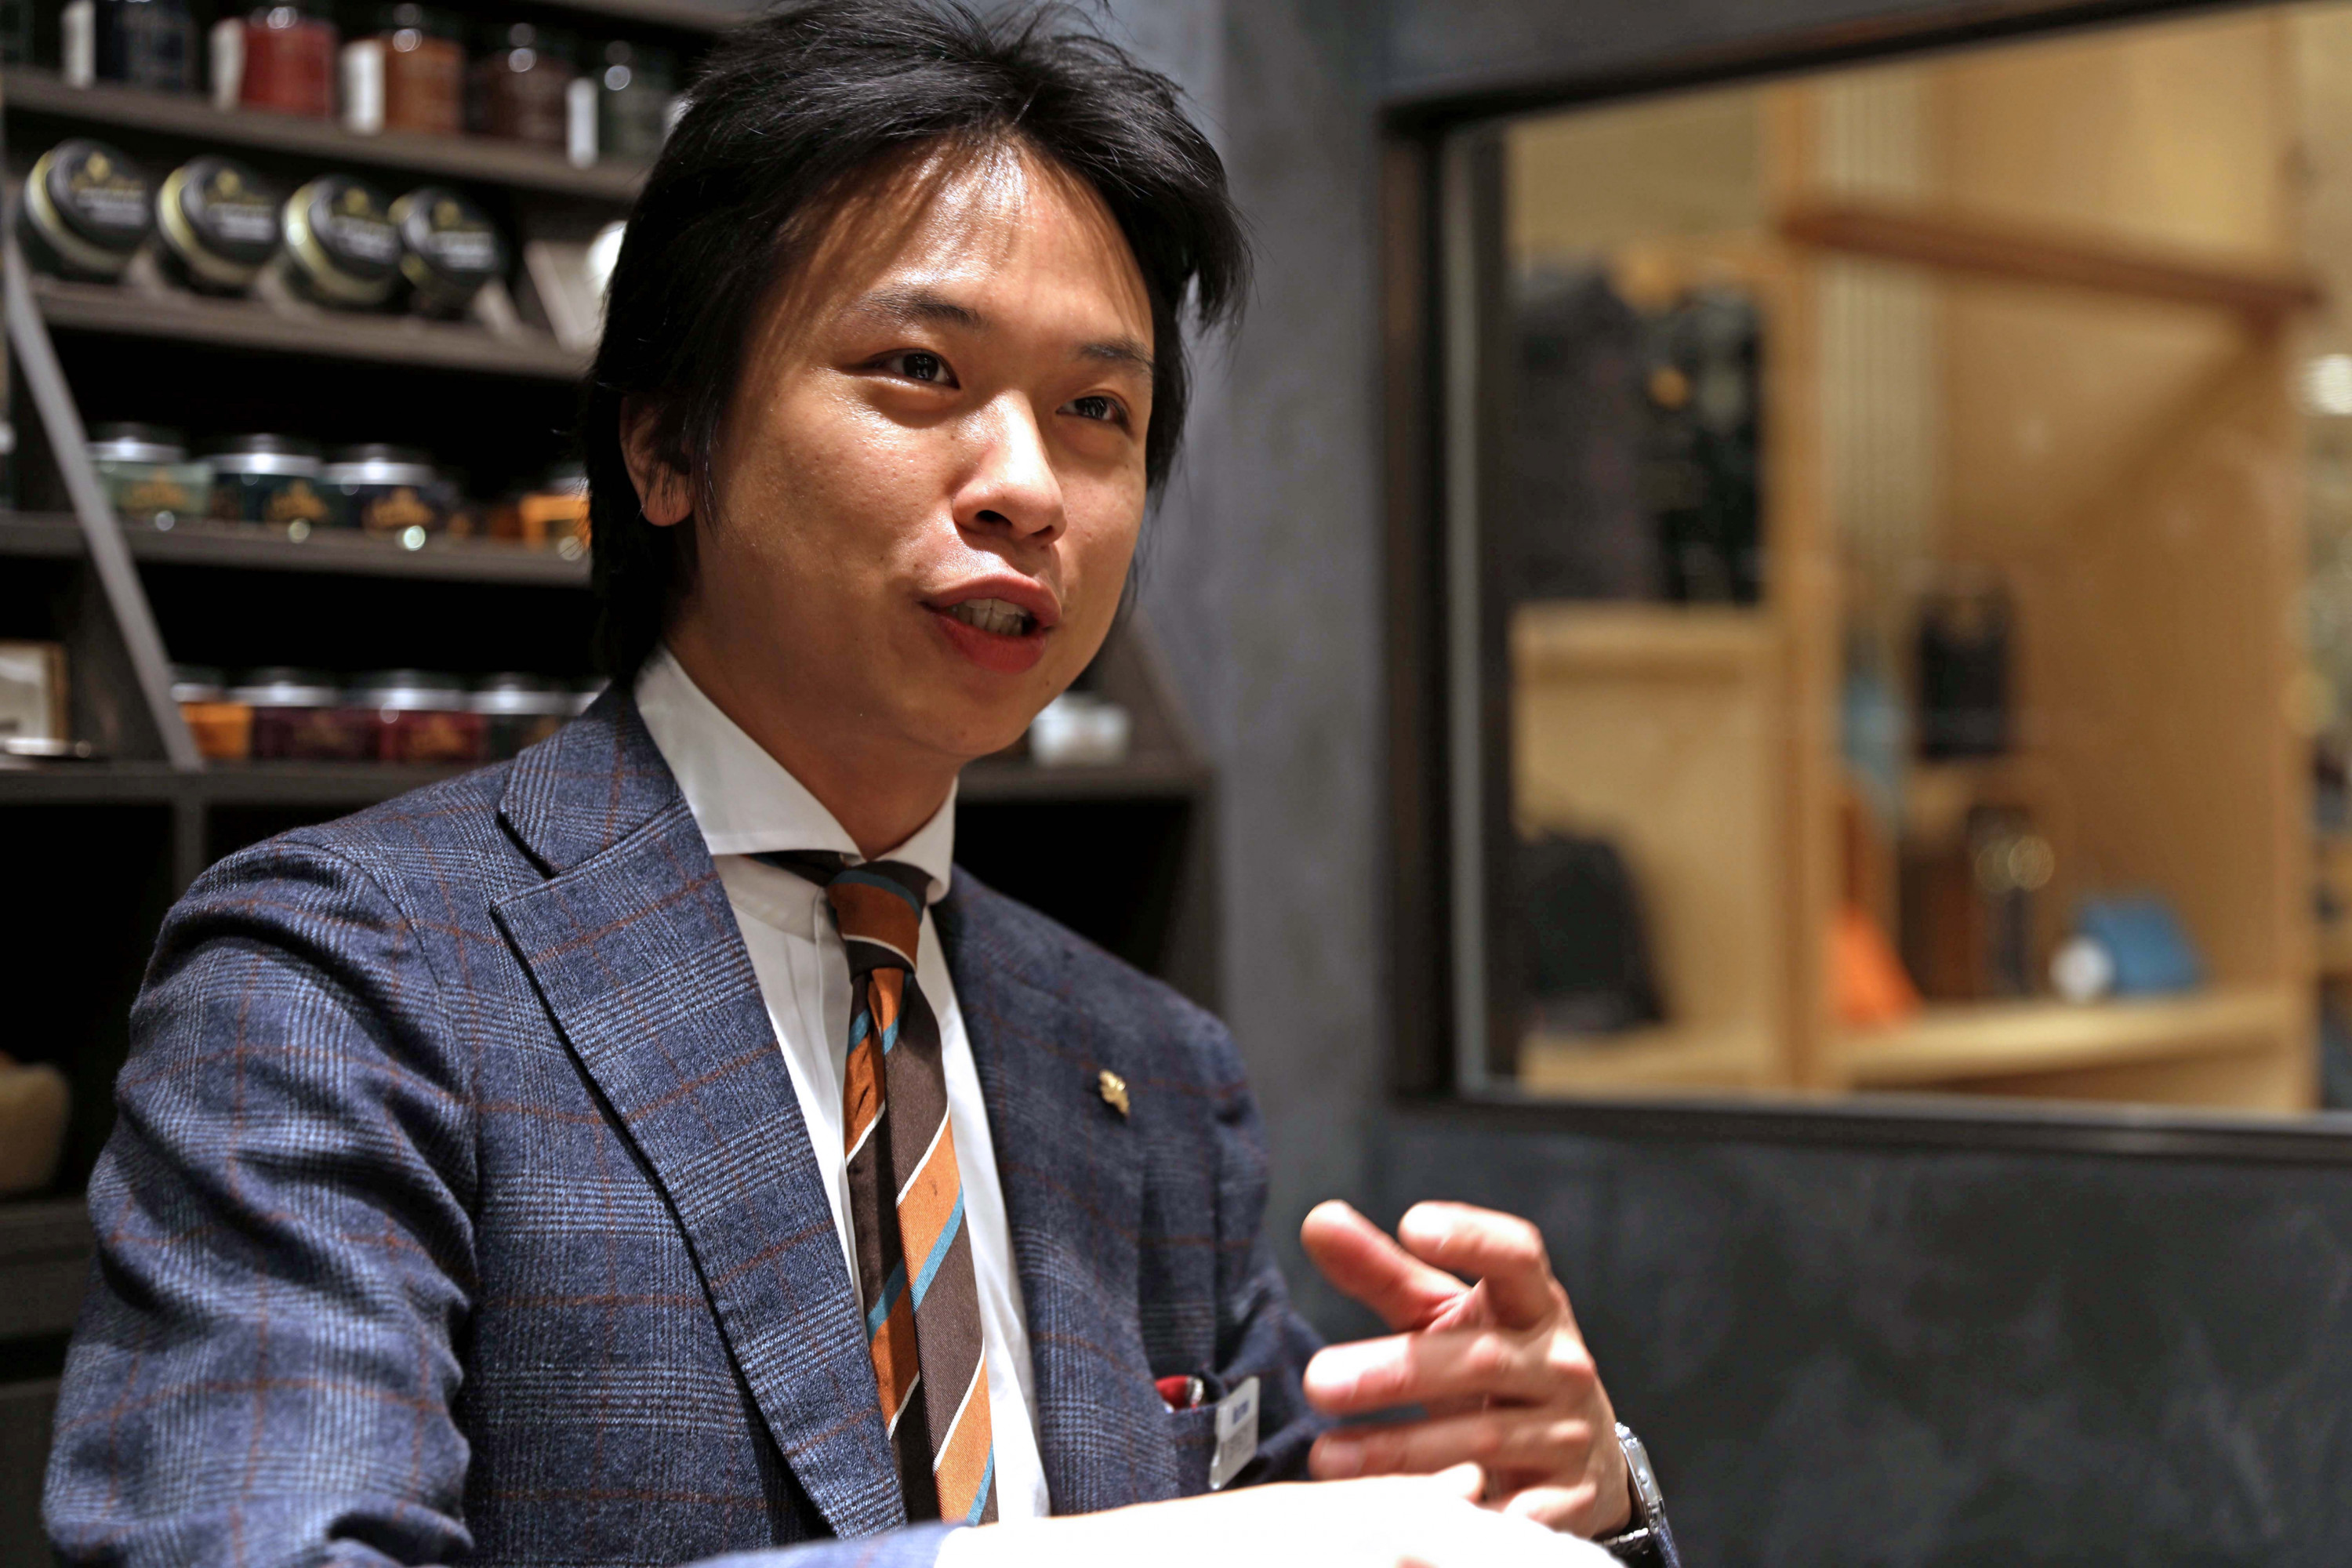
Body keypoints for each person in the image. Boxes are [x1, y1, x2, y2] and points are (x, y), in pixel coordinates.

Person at [43, 5, 1679, 1566]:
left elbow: (1283, 1517)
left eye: (1098, 410)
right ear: (666, 445)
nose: (1028, 485)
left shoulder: (1150, 1065)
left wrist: (1553, 1489)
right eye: (919, 368)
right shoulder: (346, 979)